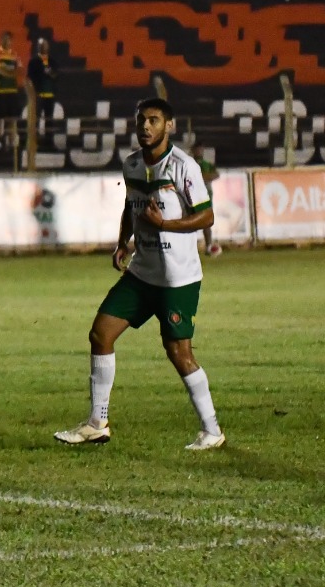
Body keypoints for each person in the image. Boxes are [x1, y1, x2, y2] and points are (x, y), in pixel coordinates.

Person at [54, 98, 224, 452]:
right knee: (101, 333)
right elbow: (131, 207)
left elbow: (206, 217)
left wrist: (167, 224)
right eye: (141, 121)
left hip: (177, 278)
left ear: (169, 126)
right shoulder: (132, 165)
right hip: (142, 272)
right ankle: (97, 423)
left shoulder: (184, 167)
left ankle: (212, 430)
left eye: (154, 120)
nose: (146, 127)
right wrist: (122, 242)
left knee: (179, 353)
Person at [189, 143, 222, 258]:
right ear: (193, 151)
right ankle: (189, 249)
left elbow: (216, 174)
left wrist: (201, 177)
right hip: (191, 196)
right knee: (189, 222)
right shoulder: (189, 164)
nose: (199, 152)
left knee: (206, 223)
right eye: (197, 150)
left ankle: (208, 246)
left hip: (206, 196)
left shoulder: (207, 164)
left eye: (201, 150)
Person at [0, 32, 22, 128]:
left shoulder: (15, 54)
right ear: (1, 40)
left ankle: (11, 142)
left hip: (12, 91)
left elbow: (19, 70)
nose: (7, 41)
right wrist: (11, 73)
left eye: (9, 39)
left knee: (12, 121)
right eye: (4, 39)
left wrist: (6, 70)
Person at [27, 38, 56, 128]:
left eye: (45, 45)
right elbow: (30, 77)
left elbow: (56, 75)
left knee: (49, 119)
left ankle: (48, 140)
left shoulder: (52, 61)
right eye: (41, 45)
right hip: (38, 95)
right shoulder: (34, 62)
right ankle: (35, 140)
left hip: (50, 95)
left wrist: (50, 73)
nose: (43, 47)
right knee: (36, 119)